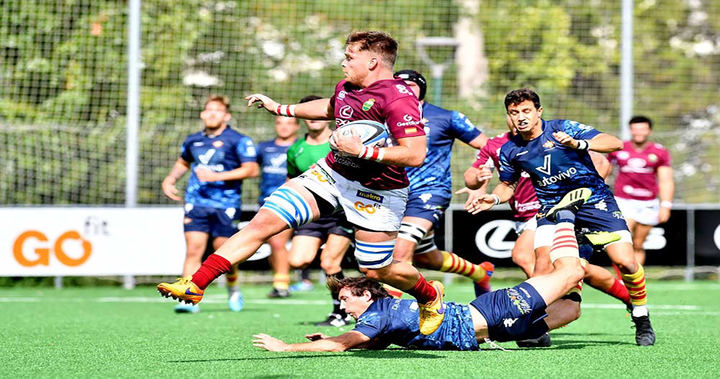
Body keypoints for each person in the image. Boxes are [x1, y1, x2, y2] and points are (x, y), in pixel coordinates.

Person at [158, 31, 448, 336]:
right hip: (332, 174)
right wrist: (281, 108)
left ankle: (430, 295)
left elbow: (415, 154)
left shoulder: (399, 96)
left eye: (350, 57)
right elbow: (331, 107)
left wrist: (362, 150)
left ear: (373, 61)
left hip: (378, 190)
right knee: (264, 221)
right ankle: (196, 283)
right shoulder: (348, 87)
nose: (343, 62)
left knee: (375, 269)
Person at [252, 191, 589, 352]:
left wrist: (286, 347)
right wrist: (326, 338)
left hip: (491, 311)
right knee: (571, 307)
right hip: (497, 331)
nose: (342, 306)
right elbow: (368, 344)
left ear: (365, 294)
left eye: (344, 299)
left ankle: (563, 218)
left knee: (573, 270)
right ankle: (563, 223)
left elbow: (343, 345)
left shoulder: (375, 317)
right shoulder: (378, 320)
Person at [466, 89, 655, 346]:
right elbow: (507, 185)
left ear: (538, 112)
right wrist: (493, 198)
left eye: (526, 111)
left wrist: (578, 144)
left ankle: (641, 314)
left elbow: (615, 143)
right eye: (514, 113)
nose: (520, 117)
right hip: (553, 210)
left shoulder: (562, 128)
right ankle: (533, 327)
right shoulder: (510, 150)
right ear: (508, 116)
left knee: (625, 263)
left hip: (593, 202)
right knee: (542, 268)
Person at [390, 69, 494, 298]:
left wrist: (480, 185)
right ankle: (479, 273)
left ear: (422, 91)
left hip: (430, 192)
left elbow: (490, 148)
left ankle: (386, 320)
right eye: (399, 85)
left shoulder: (446, 117)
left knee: (399, 253)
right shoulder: (382, 116)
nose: (405, 89)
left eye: (412, 85)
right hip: (392, 195)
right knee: (426, 258)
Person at [161, 94, 259, 313]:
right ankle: (188, 298)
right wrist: (170, 178)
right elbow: (183, 162)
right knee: (193, 250)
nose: (212, 113)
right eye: (208, 110)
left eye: (217, 110)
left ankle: (233, 290)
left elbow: (252, 169)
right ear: (202, 114)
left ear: (226, 116)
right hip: (196, 202)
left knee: (224, 252)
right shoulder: (192, 140)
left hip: (226, 203)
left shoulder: (238, 140)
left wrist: (216, 177)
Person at [285, 94, 355, 327]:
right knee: (297, 260)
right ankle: (340, 254)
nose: (313, 118)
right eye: (308, 114)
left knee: (328, 263)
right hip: (313, 214)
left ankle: (341, 312)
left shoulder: (341, 141)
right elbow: (291, 180)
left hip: (341, 212)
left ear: (327, 116)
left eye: (318, 114)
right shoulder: (296, 149)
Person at [608, 115, 674, 265]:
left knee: (638, 244)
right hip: (624, 200)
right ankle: (621, 283)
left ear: (649, 131)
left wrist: (666, 206)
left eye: (642, 129)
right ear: (630, 130)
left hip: (648, 203)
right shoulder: (618, 148)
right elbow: (605, 172)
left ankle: (636, 285)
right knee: (623, 242)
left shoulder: (659, 152)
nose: (639, 133)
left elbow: (666, 180)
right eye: (635, 129)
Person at [256, 116, 299, 298]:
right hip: (265, 200)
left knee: (277, 242)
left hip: (292, 200)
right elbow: (250, 167)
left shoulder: (301, 146)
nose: (284, 127)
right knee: (273, 243)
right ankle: (281, 279)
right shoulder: (263, 148)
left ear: (297, 126)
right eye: (280, 123)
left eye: (289, 123)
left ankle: (282, 284)